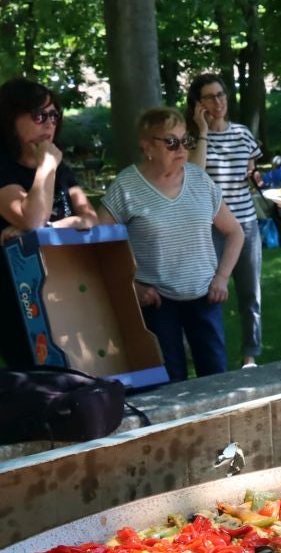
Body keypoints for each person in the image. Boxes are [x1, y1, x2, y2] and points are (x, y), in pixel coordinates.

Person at [97, 108, 243, 382]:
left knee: (216, 379)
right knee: (167, 381)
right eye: (171, 142)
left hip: (206, 296)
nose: (181, 149)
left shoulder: (200, 180)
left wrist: (222, 278)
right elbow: (99, 244)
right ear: (147, 146)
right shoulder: (126, 186)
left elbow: (235, 231)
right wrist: (131, 287)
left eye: (185, 140)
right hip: (158, 302)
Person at [0, 78, 97, 369]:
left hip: (65, 289)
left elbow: (90, 217)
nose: (49, 124)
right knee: (40, 382)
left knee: (79, 377)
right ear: (11, 119)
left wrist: (52, 229)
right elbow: (32, 217)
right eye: (39, 116)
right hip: (14, 298)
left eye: (54, 115)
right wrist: (46, 168)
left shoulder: (61, 168)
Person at [184, 73, 265, 368]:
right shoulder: (191, 138)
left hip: (246, 223)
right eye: (210, 97)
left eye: (221, 95)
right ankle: (206, 352)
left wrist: (253, 175)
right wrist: (203, 130)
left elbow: (250, 167)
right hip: (209, 229)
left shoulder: (242, 133)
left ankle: (249, 356)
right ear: (198, 103)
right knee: (207, 294)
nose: (218, 102)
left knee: (250, 293)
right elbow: (195, 172)